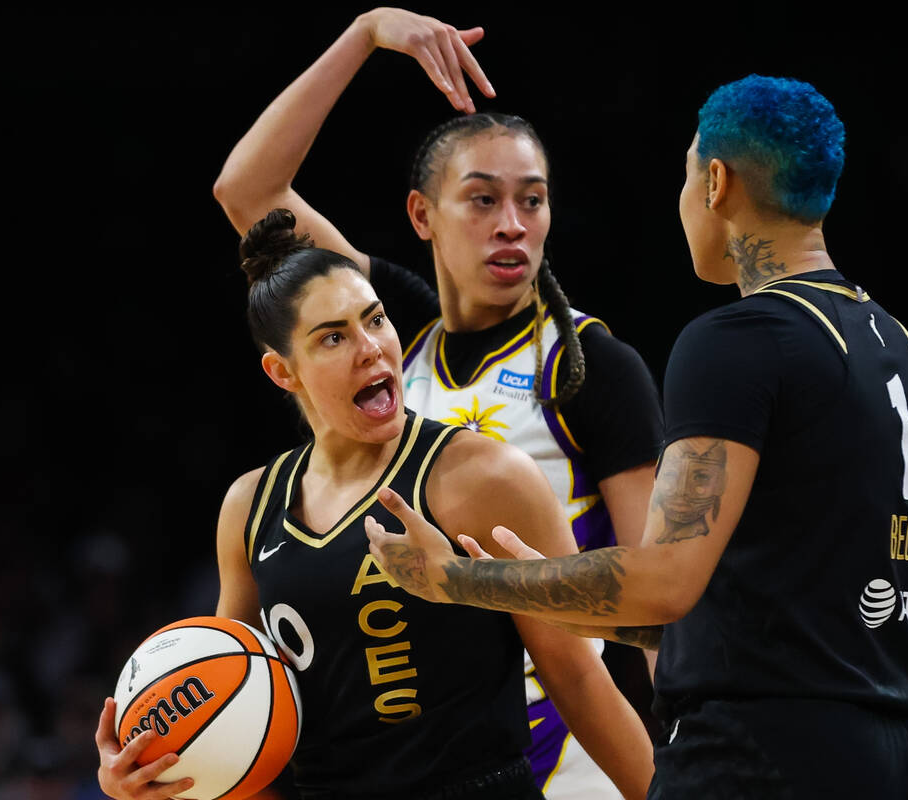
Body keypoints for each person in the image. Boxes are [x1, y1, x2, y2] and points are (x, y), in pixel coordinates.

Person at [365, 75, 908, 799]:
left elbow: (663, 583)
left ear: (715, 182)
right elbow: (760, 614)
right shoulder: (894, 340)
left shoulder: (736, 339)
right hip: (903, 751)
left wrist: (453, 579)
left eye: (684, 176)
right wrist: (543, 590)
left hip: (764, 756)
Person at [211, 8, 664, 796]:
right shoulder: (398, 329)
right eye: (483, 201)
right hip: (414, 725)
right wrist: (366, 33)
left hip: (570, 741)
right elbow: (248, 190)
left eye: (533, 201)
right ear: (423, 215)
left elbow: (661, 593)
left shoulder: (591, 366)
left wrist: (694, 743)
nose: (513, 227)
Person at [94, 210, 653, 800]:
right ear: (283, 372)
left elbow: (581, 678)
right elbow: (240, 726)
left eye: (375, 319)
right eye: (333, 336)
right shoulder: (250, 507)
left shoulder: (482, 476)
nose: (371, 349)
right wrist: (157, 774)